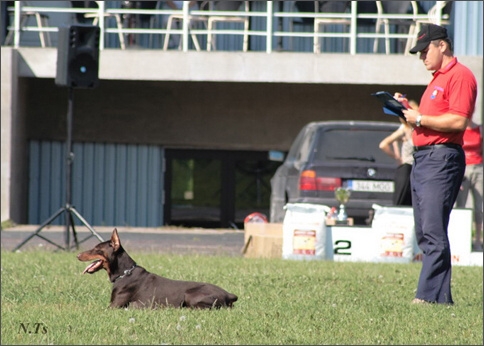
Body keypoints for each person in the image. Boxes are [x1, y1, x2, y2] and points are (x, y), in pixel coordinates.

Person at [399, 24, 477, 304]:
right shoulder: (436, 80)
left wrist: (418, 118)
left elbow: (458, 121)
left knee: (432, 229)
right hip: (424, 159)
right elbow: (426, 125)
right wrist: (406, 113)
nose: (422, 57)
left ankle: (427, 297)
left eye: (425, 50)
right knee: (424, 231)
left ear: (441, 45)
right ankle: (441, 298)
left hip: (441, 159)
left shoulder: (460, 76)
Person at [378, 101, 418, 206]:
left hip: (417, 170)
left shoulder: (418, 130)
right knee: (401, 202)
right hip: (407, 169)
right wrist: (397, 157)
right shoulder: (405, 129)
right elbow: (383, 144)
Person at [456, 121, 483, 252]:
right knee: (461, 205)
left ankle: (478, 239)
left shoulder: (479, 129)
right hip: (463, 168)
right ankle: (461, 238)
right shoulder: (458, 126)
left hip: (478, 168)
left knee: (478, 206)